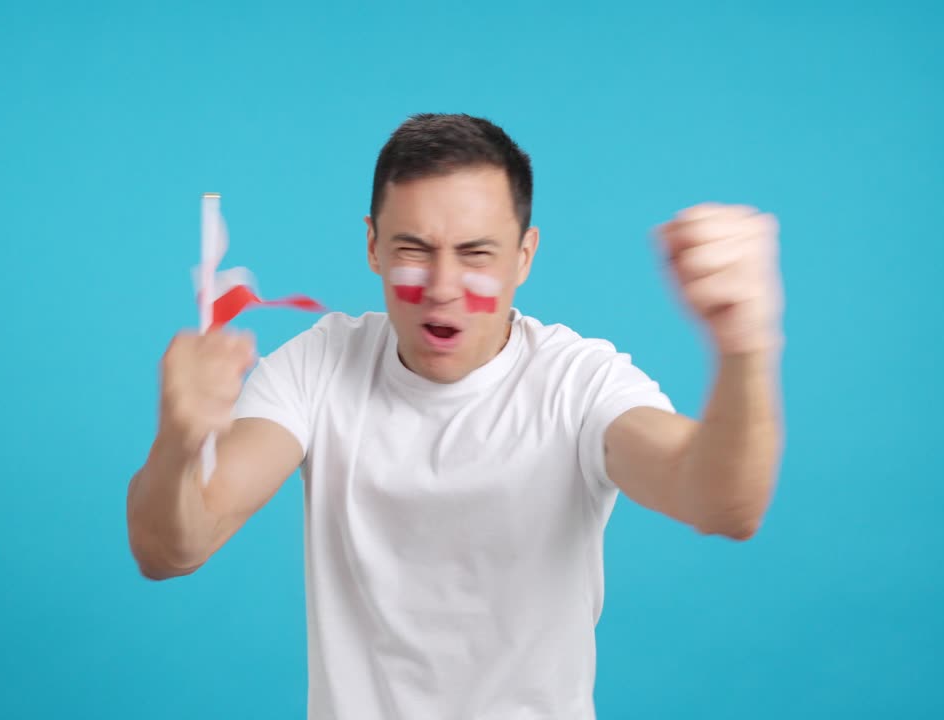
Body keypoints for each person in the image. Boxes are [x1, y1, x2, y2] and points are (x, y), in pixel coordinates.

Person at [126, 113, 784, 719]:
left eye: (476, 254)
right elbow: (172, 547)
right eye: (414, 248)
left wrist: (744, 347)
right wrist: (180, 441)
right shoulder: (318, 367)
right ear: (373, 247)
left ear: (524, 256)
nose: (442, 287)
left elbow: (723, 503)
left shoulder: (579, 383)